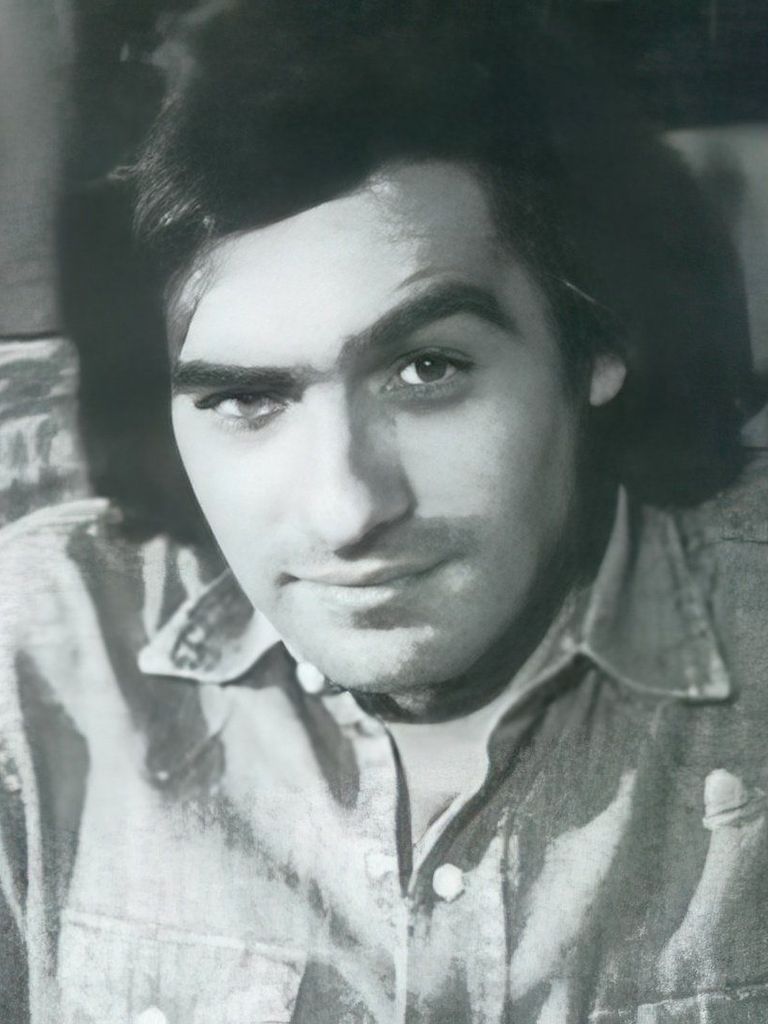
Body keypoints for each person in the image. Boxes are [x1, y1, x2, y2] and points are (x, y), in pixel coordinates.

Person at [1, 3, 767, 1023]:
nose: (348, 510)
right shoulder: (44, 655)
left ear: (596, 344)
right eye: (247, 399)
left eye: (427, 370)